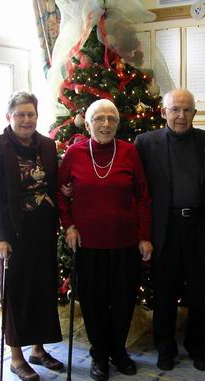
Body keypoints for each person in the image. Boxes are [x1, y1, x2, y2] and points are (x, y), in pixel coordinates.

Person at [57, 99, 152, 381]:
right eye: (99, 118)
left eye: (111, 118)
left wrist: (144, 236)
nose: (106, 124)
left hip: (125, 243)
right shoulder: (74, 153)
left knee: (123, 300)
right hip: (89, 245)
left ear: (118, 124)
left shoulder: (129, 152)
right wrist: (70, 226)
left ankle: (118, 351)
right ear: (87, 124)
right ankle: (100, 354)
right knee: (94, 302)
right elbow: (61, 195)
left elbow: (144, 197)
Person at [135, 88, 205, 371]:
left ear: (195, 113)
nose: (181, 115)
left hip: (199, 228)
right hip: (165, 229)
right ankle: (165, 348)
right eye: (175, 109)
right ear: (163, 112)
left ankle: (198, 349)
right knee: (164, 294)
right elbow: (137, 190)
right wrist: (143, 234)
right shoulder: (145, 143)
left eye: (187, 110)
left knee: (201, 294)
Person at [0, 91, 63, 381]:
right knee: (16, 296)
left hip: (44, 233)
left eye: (31, 114)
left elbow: (54, 186)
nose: (27, 120)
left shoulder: (48, 146)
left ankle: (38, 349)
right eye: (20, 115)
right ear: (9, 117)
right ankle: (17, 357)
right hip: (12, 238)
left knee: (42, 290)